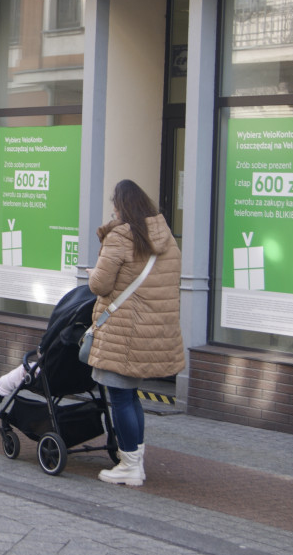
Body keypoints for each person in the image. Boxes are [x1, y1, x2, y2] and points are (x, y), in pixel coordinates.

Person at [86, 179, 184, 487]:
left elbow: (100, 286)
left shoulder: (121, 237)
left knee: (120, 397)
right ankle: (134, 461)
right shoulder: (166, 237)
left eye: (114, 205)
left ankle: (129, 465)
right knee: (131, 397)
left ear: (121, 207)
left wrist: (94, 272)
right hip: (152, 333)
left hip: (123, 332)